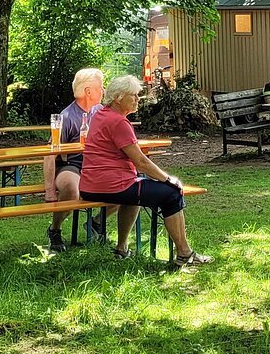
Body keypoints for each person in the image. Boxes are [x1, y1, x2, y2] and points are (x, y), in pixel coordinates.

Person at [79, 75, 212, 266]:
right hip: (112, 185)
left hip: (91, 184)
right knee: (172, 194)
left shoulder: (101, 115)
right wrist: (168, 179)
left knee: (136, 190)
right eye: (133, 95)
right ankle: (185, 253)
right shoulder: (118, 122)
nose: (138, 99)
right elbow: (141, 161)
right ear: (118, 97)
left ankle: (121, 249)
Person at [46, 67, 107, 252]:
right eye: (100, 87)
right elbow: (50, 154)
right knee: (72, 189)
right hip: (71, 165)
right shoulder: (66, 117)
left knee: (126, 184)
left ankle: (96, 222)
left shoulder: (102, 112)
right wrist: (49, 189)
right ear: (88, 91)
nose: (103, 91)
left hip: (96, 165)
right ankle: (55, 230)